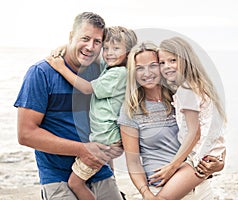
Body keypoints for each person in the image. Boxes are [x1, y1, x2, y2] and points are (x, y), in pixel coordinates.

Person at [14, 12, 124, 200]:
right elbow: (26, 134)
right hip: (58, 178)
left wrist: (110, 169)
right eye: (85, 38)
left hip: (100, 171)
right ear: (71, 36)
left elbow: (105, 120)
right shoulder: (41, 73)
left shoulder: (103, 73)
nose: (90, 47)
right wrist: (82, 149)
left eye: (97, 41)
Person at [118, 41, 225, 200]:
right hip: (161, 191)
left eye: (153, 65)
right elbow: (133, 162)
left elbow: (210, 131)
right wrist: (146, 194)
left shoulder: (181, 97)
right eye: (140, 68)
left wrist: (219, 164)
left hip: (200, 188)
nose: (147, 73)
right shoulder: (130, 110)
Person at [46, 26, 137, 200]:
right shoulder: (111, 66)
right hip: (108, 139)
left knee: (75, 183)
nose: (109, 53)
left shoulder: (119, 73)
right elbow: (89, 53)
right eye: (106, 48)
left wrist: (60, 68)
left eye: (116, 48)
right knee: (103, 174)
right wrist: (65, 46)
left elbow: (87, 88)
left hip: (104, 141)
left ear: (128, 52)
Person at [149, 36, 227, 199]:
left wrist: (172, 166)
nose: (167, 66)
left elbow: (194, 133)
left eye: (172, 60)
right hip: (207, 156)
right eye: (162, 63)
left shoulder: (187, 91)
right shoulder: (198, 86)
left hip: (198, 159)